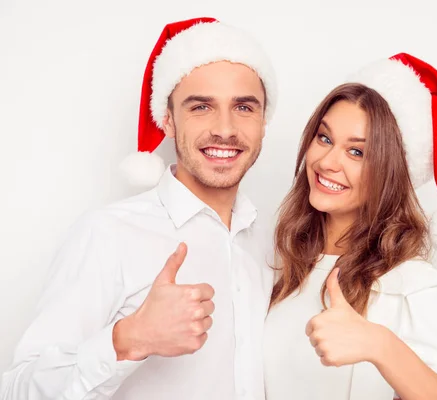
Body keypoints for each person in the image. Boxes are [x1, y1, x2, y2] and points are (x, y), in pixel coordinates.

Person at [1, 17, 277, 400]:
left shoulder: (272, 243)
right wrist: (128, 339)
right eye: (201, 107)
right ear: (167, 120)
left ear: (265, 121)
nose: (225, 129)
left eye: (244, 107)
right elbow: (18, 388)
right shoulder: (107, 233)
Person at [263, 52, 437, 400]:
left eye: (357, 153)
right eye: (324, 138)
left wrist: (381, 346)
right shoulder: (280, 261)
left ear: (391, 174)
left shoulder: (409, 288)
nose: (327, 162)